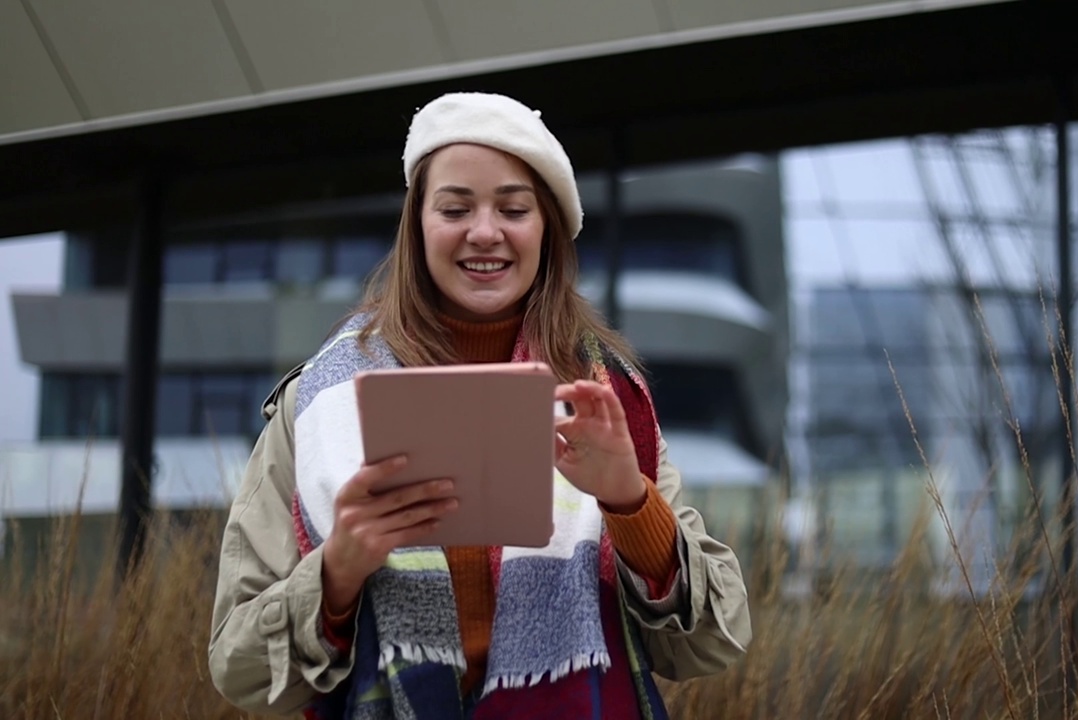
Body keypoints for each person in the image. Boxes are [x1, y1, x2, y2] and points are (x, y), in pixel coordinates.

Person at [208, 92, 751, 719]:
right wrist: (335, 574)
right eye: (455, 207)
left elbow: (715, 642)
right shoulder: (321, 404)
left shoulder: (604, 395)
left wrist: (631, 505)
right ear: (418, 226)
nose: (485, 231)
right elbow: (239, 670)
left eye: (514, 208)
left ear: (547, 227)